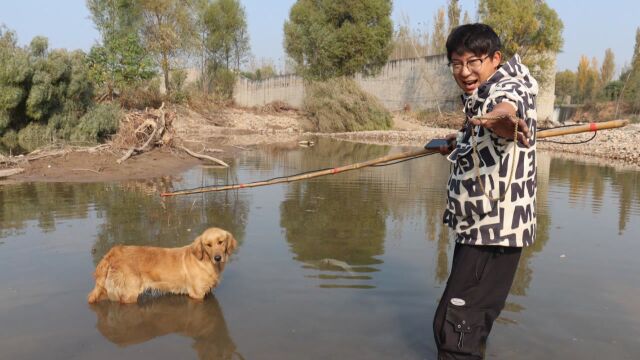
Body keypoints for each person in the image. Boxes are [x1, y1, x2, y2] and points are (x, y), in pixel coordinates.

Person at [432, 23, 538, 359]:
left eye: (473, 61)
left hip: (494, 231)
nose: (464, 72)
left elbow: (506, 111)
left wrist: (503, 120)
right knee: (456, 322)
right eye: (456, 63)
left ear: (495, 58)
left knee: (457, 328)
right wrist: (459, 141)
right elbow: (487, 147)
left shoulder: (507, 88)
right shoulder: (479, 95)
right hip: (478, 227)